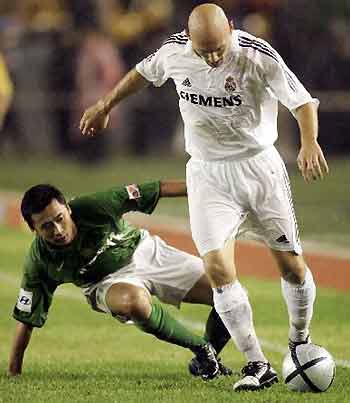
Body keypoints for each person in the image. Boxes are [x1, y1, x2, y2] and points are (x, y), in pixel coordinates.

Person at [79, 3, 329, 392]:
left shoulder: (257, 55)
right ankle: (257, 363)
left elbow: (302, 101)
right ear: (189, 38)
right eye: (203, 50)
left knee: (292, 267)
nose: (212, 58)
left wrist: (309, 141)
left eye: (218, 48)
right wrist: (104, 104)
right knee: (217, 267)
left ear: (231, 28)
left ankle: (300, 341)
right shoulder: (174, 51)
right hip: (208, 174)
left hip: (260, 169)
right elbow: (141, 75)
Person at [8, 180, 233, 380]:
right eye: (46, 226)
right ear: (33, 229)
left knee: (230, 294)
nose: (57, 230)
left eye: (60, 219)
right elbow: (26, 319)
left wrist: (206, 189)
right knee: (133, 302)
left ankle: (205, 361)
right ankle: (201, 348)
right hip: (104, 283)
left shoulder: (96, 206)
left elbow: (157, 188)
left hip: (145, 251)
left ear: (67, 208)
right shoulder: (39, 261)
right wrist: (14, 372)